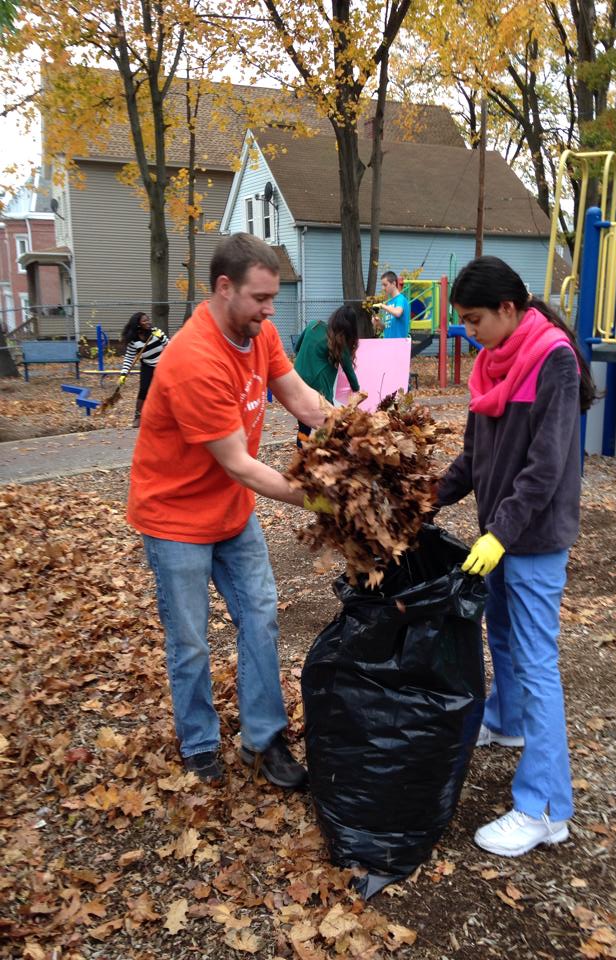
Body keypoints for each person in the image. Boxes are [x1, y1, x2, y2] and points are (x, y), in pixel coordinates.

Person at [127, 233, 334, 789]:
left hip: (231, 513)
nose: (271, 311)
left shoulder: (258, 334)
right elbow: (241, 465)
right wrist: (322, 498)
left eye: (273, 299)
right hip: (175, 519)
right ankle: (198, 741)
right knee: (191, 638)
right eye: (261, 298)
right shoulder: (194, 359)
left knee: (260, 617)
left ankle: (263, 740)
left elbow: (302, 399)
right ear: (224, 288)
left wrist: (357, 435)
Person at [435, 256, 595, 858]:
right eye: (464, 322)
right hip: (498, 535)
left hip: (532, 538)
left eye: (475, 320)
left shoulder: (553, 358)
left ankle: (546, 808)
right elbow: (475, 457)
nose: (469, 332)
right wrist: (427, 497)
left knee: (534, 662)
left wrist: (500, 534)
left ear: (509, 309)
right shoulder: (490, 362)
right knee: (499, 636)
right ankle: (505, 722)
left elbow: (548, 465)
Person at [293, 304, 360, 447]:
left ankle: (301, 448)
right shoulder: (339, 342)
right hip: (319, 386)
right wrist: (357, 390)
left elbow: (296, 347)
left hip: (296, 380)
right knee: (329, 420)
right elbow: (349, 372)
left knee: (304, 421)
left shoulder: (313, 325)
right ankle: (324, 452)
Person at [118, 312, 169, 427]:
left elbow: (169, 344)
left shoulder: (156, 332)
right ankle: (138, 416)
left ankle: (164, 416)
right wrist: (123, 374)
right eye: (144, 321)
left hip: (163, 364)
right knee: (144, 390)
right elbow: (129, 358)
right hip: (147, 366)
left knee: (164, 390)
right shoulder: (134, 341)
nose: (148, 322)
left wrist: (161, 337)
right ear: (138, 324)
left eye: (148, 320)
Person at [375, 270, 410, 339]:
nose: (383, 288)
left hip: (399, 344)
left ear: (394, 283)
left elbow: (397, 313)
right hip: (388, 343)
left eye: (385, 285)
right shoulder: (389, 302)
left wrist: (382, 306)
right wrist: (378, 322)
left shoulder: (400, 299)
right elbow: (386, 327)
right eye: (382, 285)